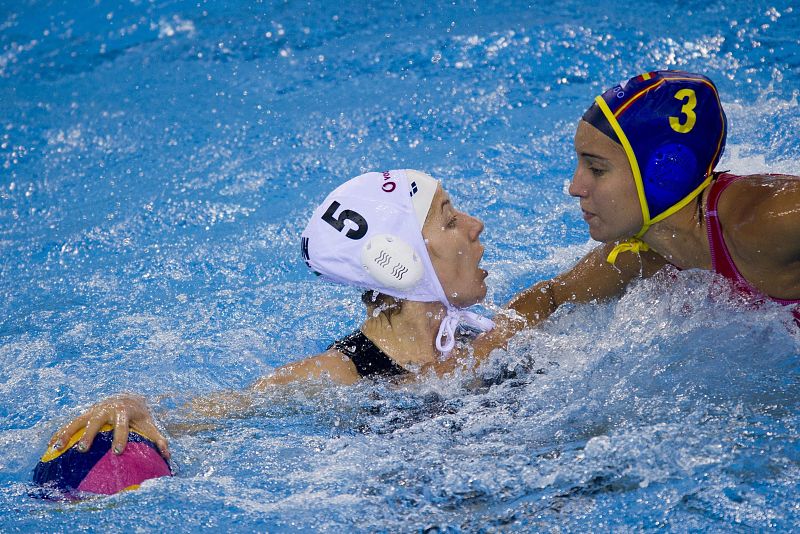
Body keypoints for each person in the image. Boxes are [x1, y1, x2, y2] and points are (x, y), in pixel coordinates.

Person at [47, 169, 496, 459]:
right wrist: (133, 408)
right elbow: (220, 411)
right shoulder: (338, 375)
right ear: (399, 261)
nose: (475, 225)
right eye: (450, 220)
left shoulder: (490, 334)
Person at [478, 70, 799, 358]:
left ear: (663, 174)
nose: (575, 186)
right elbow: (550, 297)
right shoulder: (646, 253)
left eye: (596, 169)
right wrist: (471, 362)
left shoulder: (761, 221)